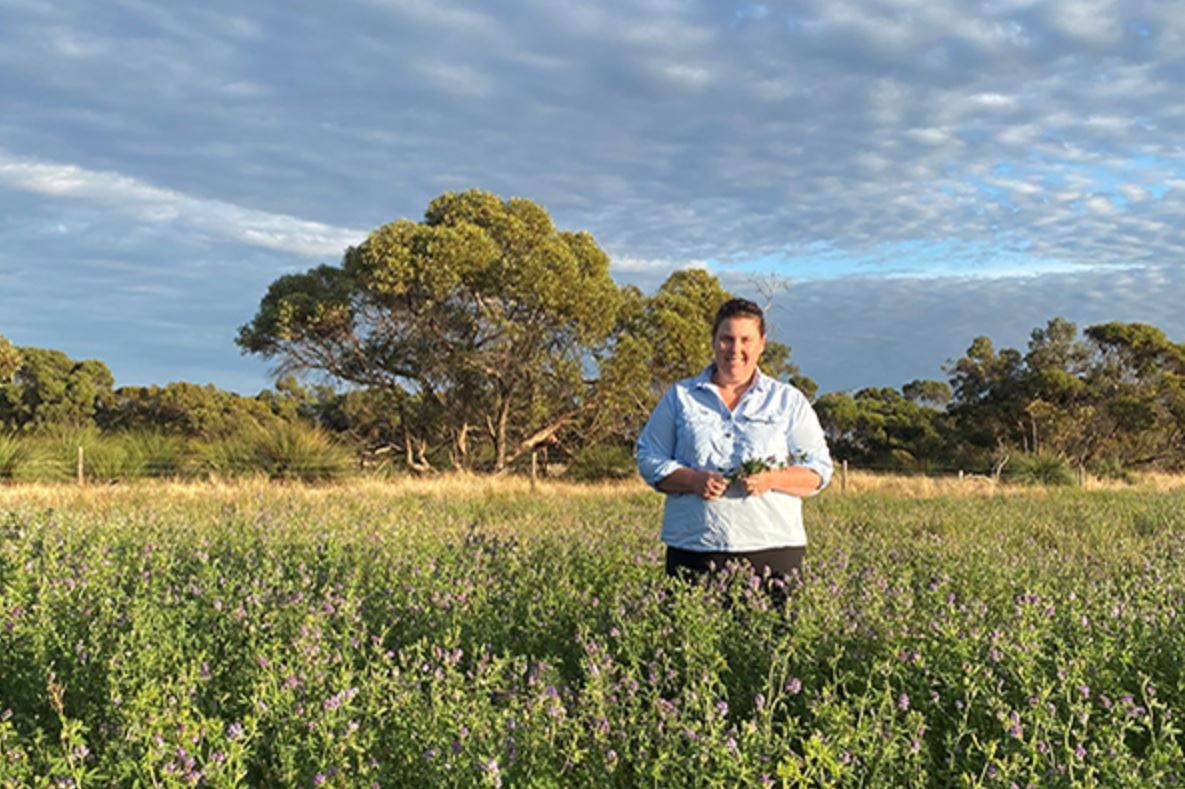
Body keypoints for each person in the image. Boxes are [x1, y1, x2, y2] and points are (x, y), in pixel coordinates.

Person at [635, 298, 833, 604]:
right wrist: (692, 480)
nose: (735, 349)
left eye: (746, 340)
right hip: (695, 549)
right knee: (691, 647)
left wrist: (772, 479)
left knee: (772, 647)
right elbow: (648, 457)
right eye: (726, 339)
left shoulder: (787, 401)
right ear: (714, 341)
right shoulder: (681, 397)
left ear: (762, 344)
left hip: (774, 551)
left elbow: (819, 470)